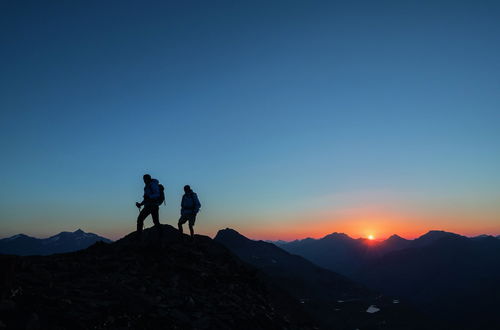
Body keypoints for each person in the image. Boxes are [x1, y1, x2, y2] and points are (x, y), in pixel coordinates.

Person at [135, 174, 163, 239]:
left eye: (144, 179)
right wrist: (140, 204)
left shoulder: (152, 185)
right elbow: (146, 198)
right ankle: (160, 234)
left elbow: (157, 194)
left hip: (151, 206)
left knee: (140, 219)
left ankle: (139, 236)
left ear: (147, 179)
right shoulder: (148, 186)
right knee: (155, 221)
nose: (144, 181)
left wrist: (149, 197)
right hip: (152, 205)